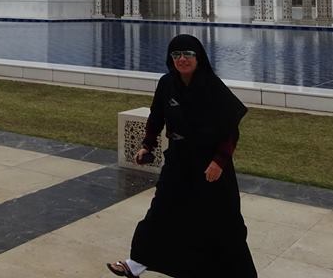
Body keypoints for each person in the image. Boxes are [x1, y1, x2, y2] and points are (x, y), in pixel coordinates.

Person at [106, 34, 256, 278]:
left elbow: (230, 129)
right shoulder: (166, 83)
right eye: (176, 55)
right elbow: (156, 116)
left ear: (198, 58)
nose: (182, 59)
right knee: (161, 210)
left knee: (222, 219)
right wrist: (147, 145)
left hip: (210, 163)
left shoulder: (212, 86)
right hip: (178, 158)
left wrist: (219, 161)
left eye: (188, 54)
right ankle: (137, 262)